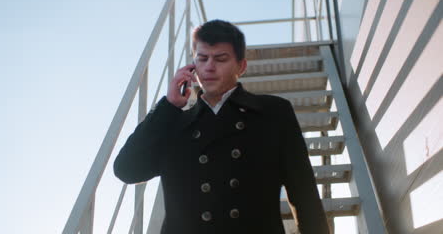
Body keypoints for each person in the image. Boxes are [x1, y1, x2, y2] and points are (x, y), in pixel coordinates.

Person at [114, 19, 329, 234]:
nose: (209, 67)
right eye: (202, 58)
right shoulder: (173, 123)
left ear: (241, 66)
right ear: (192, 66)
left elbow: (303, 193)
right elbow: (127, 170)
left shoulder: (273, 112)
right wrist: (168, 106)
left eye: (220, 59)